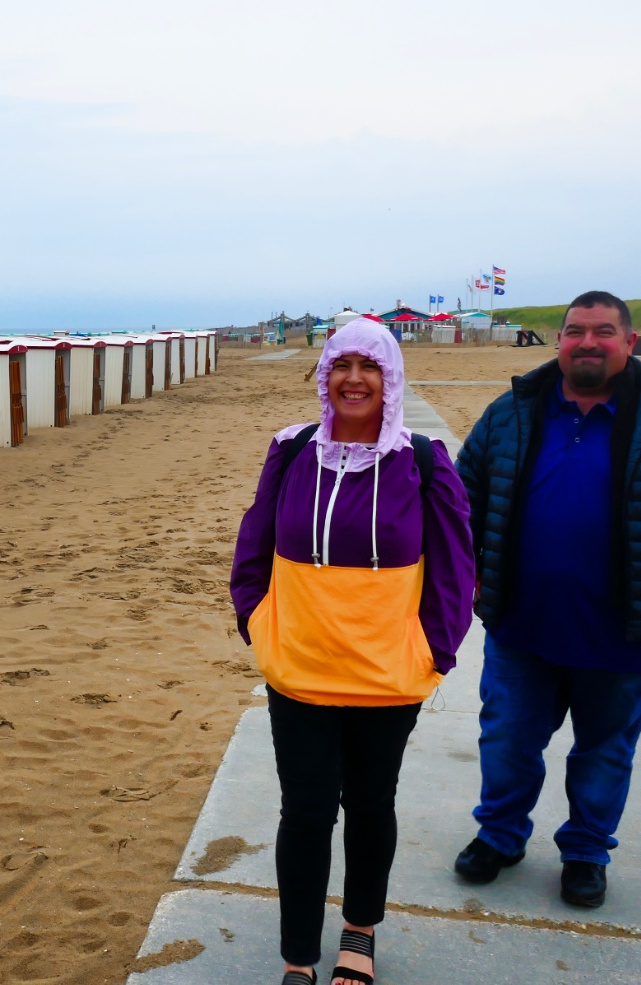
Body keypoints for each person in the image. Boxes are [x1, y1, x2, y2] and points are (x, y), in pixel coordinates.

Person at [452, 290, 641, 908]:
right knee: (506, 740)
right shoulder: (510, 414)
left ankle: (587, 851)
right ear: (558, 340)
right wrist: (458, 573)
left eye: (603, 331)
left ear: (629, 340)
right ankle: (500, 836)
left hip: (625, 631)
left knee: (605, 752)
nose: (588, 342)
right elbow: (462, 501)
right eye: (574, 330)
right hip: (522, 626)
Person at [231, 319, 475, 985]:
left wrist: (437, 650)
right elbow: (254, 543)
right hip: (299, 668)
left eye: (371, 365)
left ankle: (359, 935)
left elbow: (456, 568)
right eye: (342, 364)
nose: (355, 378)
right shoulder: (292, 450)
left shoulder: (422, 460)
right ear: (326, 376)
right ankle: (298, 959)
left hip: (386, 674)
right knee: (305, 811)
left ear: (391, 378)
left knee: (371, 804)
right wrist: (256, 619)